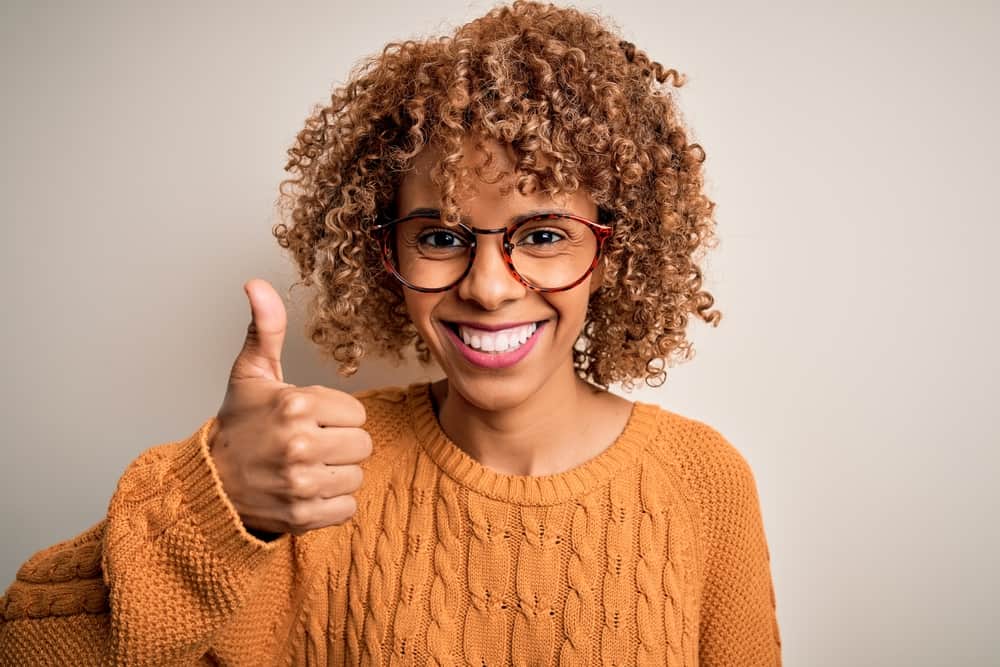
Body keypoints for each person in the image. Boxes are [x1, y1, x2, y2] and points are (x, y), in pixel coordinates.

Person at [0, 1, 781, 664]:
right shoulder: (309, 473)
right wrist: (219, 504)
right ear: (385, 253)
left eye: (542, 235)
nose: (487, 286)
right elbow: (28, 646)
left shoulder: (705, 481)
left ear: (616, 249)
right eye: (440, 237)